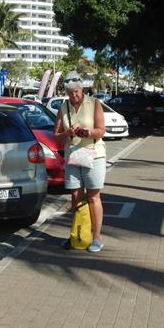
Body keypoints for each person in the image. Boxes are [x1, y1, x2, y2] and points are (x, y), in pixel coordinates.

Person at [54, 71, 107, 253]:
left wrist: (88, 132)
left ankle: (97, 238)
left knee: (93, 197)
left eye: (76, 91)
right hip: (74, 154)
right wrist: (67, 133)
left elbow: (101, 130)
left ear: (82, 89)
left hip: (94, 153)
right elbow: (57, 136)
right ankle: (78, 234)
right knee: (76, 197)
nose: (73, 95)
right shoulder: (64, 106)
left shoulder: (94, 104)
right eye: (70, 93)